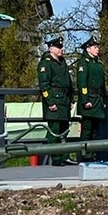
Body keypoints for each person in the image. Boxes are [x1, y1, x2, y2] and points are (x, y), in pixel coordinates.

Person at [37, 36, 75, 166]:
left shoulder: (62, 62)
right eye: (58, 47)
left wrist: (71, 99)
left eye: (61, 47)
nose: (61, 49)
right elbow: (44, 85)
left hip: (64, 99)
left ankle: (65, 156)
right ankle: (56, 158)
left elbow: (68, 83)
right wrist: (50, 101)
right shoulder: (46, 63)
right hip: (54, 99)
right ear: (51, 48)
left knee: (64, 130)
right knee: (54, 130)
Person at [75, 36, 105, 162]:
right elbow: (82, 83)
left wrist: (103, 99)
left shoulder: (97, 63)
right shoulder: (84, 63)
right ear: (88, 49)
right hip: (89, 100)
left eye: (97, 47)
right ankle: (85, 155)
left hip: (97, 99)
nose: (97, 49)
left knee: (95, 130)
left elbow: (102, 84)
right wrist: (85, 100)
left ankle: (92, 154)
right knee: (87, 129)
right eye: (95, 47)